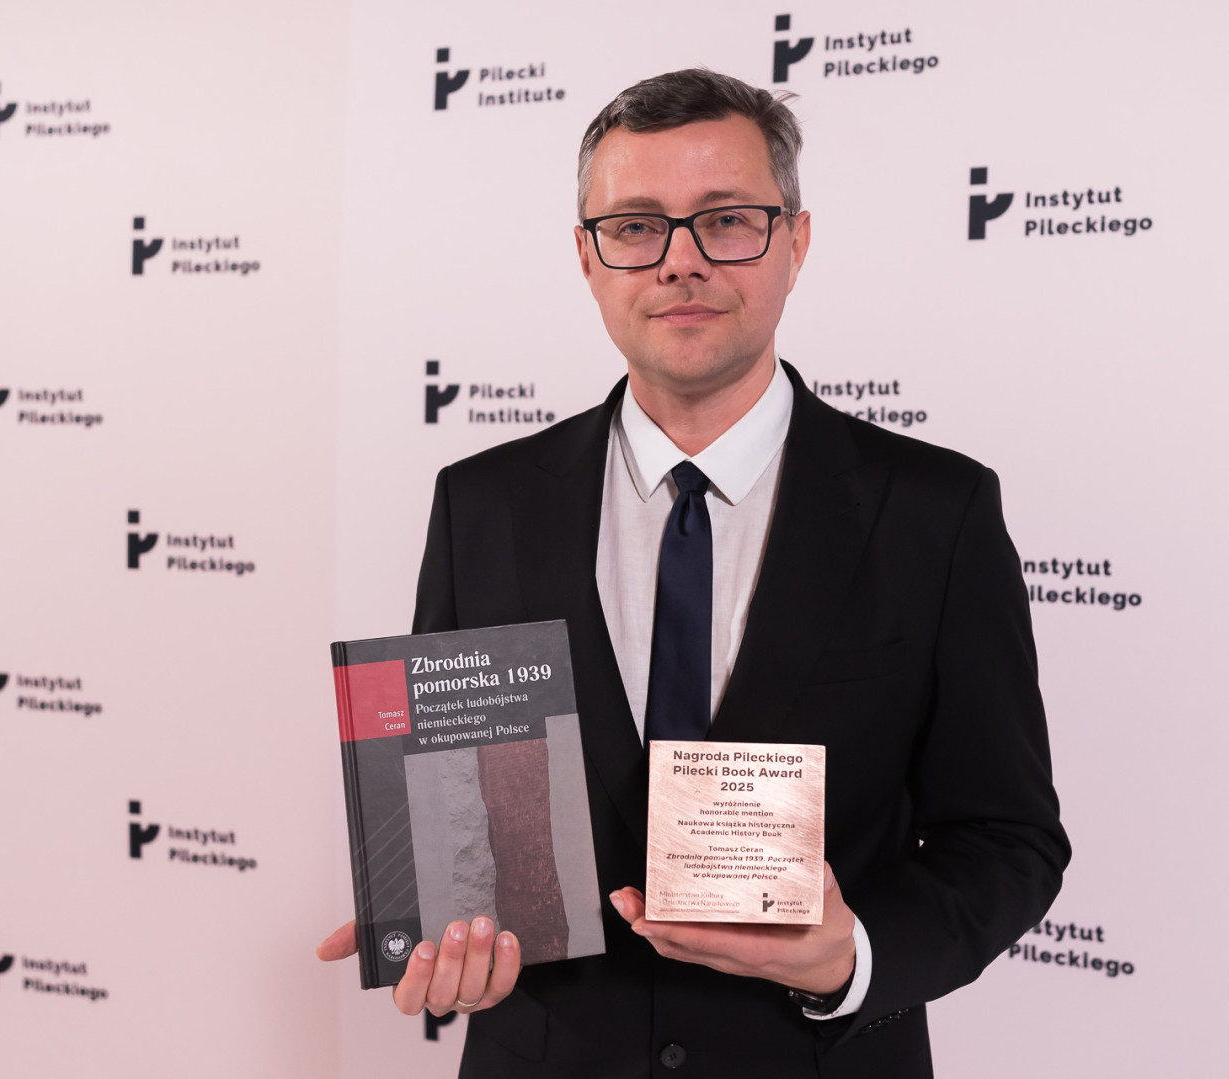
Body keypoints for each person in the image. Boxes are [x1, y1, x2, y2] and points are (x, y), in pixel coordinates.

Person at [318, 68, 1069, 1077]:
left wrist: (851, 956)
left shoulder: (936, 511)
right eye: (635, 226)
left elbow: (1008, 839)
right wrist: (448, 929)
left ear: (795, 242)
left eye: (726, 221)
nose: (680, 260)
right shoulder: (481, 503)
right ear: (587, 258)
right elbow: (459, 822)